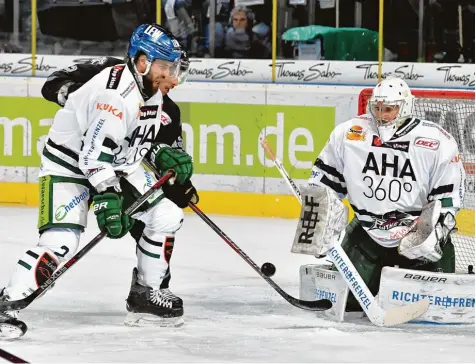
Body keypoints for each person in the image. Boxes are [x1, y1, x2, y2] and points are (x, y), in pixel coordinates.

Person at [0, 23, 194, 339]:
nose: (172, 74)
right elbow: (93, 157)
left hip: (111, 164)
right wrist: (108, 195)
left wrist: (159, 155)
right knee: (61, 242)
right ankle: (4, 307)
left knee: (166, 215)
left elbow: (130, 142)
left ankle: (146, 293)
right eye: (165, 66)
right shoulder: (116, 94)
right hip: (68, 165)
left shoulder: (152, 91)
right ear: (142, 62)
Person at [40, 48, 197, 307]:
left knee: (156, 217)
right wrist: (85, 101)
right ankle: (22, 289)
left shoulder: (167, 111)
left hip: (118, 171)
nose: (173, 79)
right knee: (61, 239)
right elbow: (52, 83)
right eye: (169, 70)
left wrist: (180, 185)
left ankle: (149, 288)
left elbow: (162, 158)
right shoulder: (111, 72)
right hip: (74, 162)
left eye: (178, 72)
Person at [306, 77, 464, 312]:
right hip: (368, 232)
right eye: (377, 108)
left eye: (389, 109)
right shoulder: (349, 134)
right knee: (346, 303)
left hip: (416, 233)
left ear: (405, 107)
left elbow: (448, 198)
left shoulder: (436, 141)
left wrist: (434, 233)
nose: (381, 115)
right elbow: (325, 184)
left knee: (437, 309)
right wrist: (318, 226)